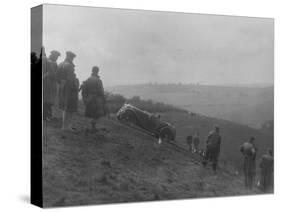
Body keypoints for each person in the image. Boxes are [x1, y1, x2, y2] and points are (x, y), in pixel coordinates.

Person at [57, 51, 79, 130]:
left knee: (64, 106)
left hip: (61, 86)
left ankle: (65, 126)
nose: (72, 59)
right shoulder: (69, 66)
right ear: (70, 57)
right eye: (72, 58)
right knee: (69, 107)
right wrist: (76, 87)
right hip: (69, 88)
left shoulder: (60, 64)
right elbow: (71, 79)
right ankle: (67, 126)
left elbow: (57, 77)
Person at [81, 66, 106, 133]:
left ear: (92, 71)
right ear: (97, 71)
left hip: (89, 99)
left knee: (91, 113)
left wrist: (85, 99)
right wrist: (104, 99)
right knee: (98, 114)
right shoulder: (98, 80)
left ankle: (91, 127)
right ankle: (92, 127)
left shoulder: (87, 80)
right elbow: (101, 91)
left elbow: (84, 91)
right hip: (97, 99)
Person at [43, 50, 61, 120]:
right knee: (48, 100)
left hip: (47, 82)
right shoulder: (52, 63)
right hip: (49, 83)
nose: (57, 58)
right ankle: (46, 116)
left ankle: (47, 115)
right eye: (56, 56)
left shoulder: (47, 60)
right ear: (53, 55)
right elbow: (52, 74)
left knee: (46, 99)